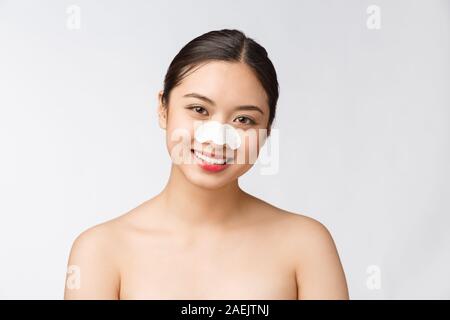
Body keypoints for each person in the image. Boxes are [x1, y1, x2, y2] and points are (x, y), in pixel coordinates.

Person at [64, 29, 349, 300]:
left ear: (267, 131)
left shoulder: (306, 246)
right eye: (199, 110)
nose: (217, 139)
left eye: (244, 120)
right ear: (163, 109)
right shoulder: (100, 251)